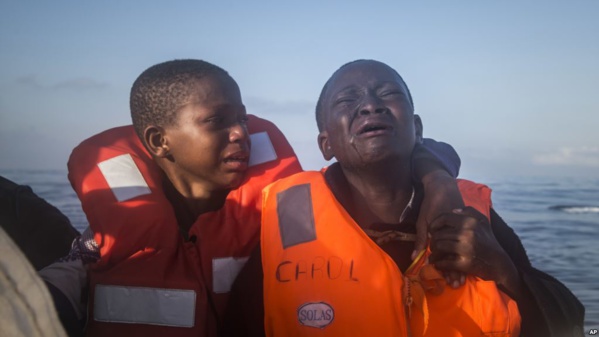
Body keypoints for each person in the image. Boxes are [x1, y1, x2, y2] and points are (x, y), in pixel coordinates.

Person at [39, 59, 464, 337]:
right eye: (216, 122)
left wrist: (439, 180)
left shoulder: (280, 212)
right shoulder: (103, 246)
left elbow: (378, 164)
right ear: (159, 141)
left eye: (241, 118)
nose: (241, 132)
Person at [226, 60, 585, 336]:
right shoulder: (287, 223)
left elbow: (569, 320)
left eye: (387, 94)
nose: (370, 106)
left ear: (417, 129)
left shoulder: (472, 213)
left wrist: (504, 270)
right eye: (348, 100)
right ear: (326, 145)